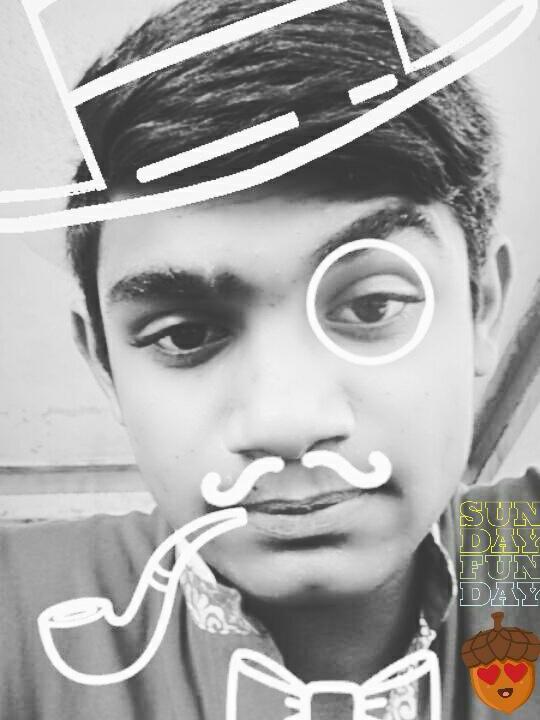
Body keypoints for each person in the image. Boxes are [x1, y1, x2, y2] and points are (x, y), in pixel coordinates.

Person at [1, 1, 538, 718]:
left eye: (372, 307)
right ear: (104, 363)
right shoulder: (24, 609)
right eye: (186, 335)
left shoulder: (516, 552)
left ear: (481, 306)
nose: (287, 422)